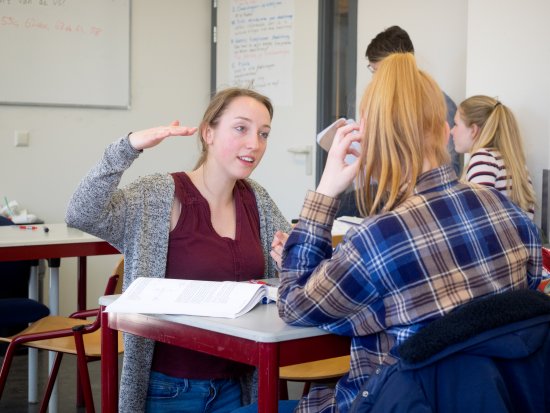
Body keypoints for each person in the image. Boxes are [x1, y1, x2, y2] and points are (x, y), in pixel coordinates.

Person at [271, 53, 541, 413]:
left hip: (392, 402)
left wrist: (324, 195)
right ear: (445, 132)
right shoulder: (511, 215)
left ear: (368, 140)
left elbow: (295, 306)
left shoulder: (376, 241)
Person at [65, 87, 291, 413]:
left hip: (238, 384)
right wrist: (127, 148)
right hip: (170, 387)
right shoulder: (161, 194)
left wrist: (293, 258)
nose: (254, 144)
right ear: (208, 132)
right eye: (241, 128)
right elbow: (81, 213)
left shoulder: (257, 198)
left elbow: (298, 264)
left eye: (264, 133)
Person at [336, 25, 461, 217]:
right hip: (413, 193)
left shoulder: (433, 104)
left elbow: (449, 165)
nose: (376, 78)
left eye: (377, 70)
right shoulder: (432, 98)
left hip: (413, 194)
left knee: (348, 203)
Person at [451, 95, 536, 220]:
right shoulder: (515, 163)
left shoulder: (483, 159)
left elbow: (476, 220)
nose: (451, 131)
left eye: (456, 124)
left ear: (473, 130)